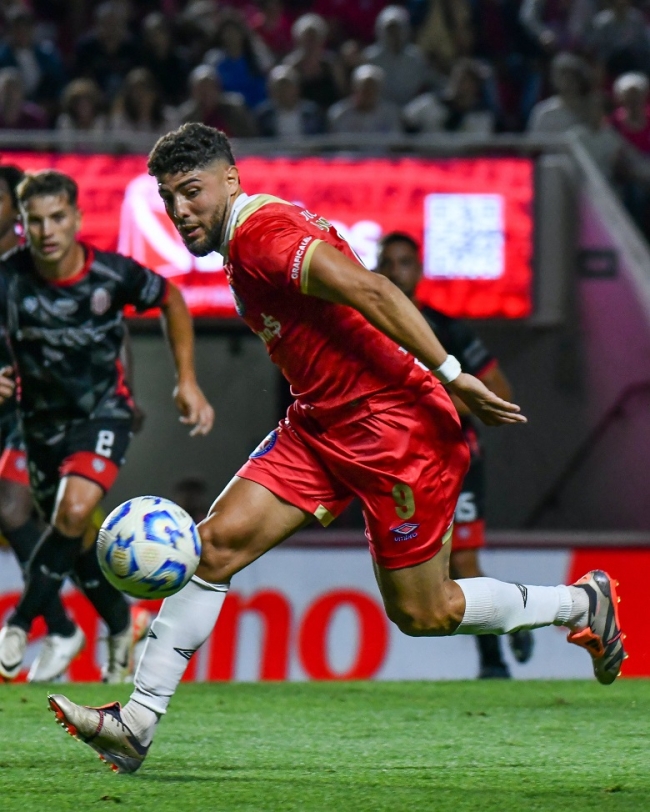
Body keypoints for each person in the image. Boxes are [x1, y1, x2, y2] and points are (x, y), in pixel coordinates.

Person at [48, 124, 625, 774]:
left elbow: (372, 290)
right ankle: (137, 722)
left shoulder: (263, 239)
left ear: (230, 181)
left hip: (397, 429)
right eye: (170, 200)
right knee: (211, 549)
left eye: (192, 193)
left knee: (424, 612)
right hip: (321, 424)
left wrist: (453, 373)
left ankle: (581, 603)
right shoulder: (244, 241)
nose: (182, 212)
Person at [0, 169, 214, 683]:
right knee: (66, 538)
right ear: (24, 226)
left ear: (76, 218)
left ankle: (20, 624)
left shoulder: (110, 274)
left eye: (58, 217)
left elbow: (171, 299)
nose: (48, 230)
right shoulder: (9, 277)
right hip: (39, 422)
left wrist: (187, 381)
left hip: (103, 413)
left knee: (73, 513)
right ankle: (120, 623)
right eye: (37, 221)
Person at [375, 232, 533, 678]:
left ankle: (494, 663)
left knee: (461, 563)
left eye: (404, 262)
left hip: (453, 459)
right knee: (430, 575)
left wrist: (431, 397)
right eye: (386, 262)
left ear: (419, 271)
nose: (395, 271)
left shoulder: (448, 329)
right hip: (394, 465)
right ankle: (516, 616)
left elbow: (499, 392)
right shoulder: (364, 326)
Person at [328, 64, 401, 135]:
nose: (368, 93)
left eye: (372, 88)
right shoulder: (339, 113)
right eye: (364, 88)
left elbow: (396, 143)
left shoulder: (390, 113)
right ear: (355, 88)